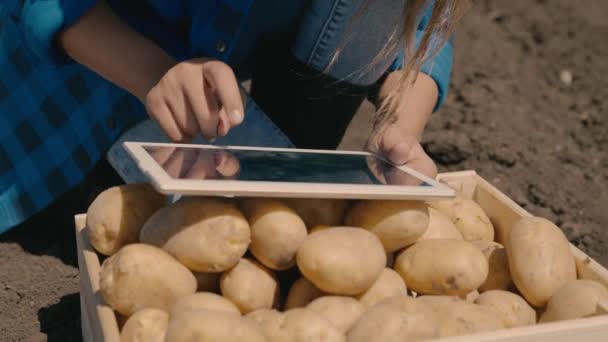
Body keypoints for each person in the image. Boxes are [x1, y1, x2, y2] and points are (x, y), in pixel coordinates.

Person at [0, 0, 468, 235]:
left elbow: (418, 21)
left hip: (205, 81)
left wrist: (397, 128)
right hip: (81, 77)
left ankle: (282, 186)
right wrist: (156, 75)